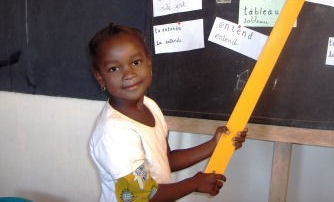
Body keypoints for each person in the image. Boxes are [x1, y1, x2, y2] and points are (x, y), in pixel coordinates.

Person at [88, 23, 248, 202]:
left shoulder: (150, 106)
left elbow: (166, 160)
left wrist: (214, 144)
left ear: (149, 63)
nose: (129, 74)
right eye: (114, 69)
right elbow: (142, 196)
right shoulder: (114, 133)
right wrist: (194, 183)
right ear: (101, 78)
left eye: (135, 62)